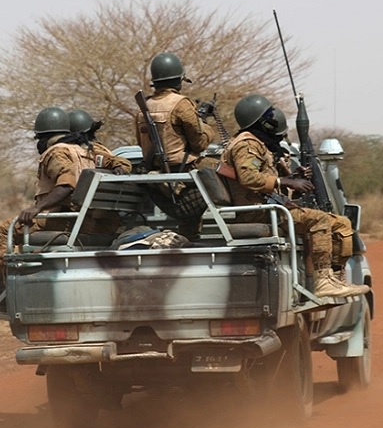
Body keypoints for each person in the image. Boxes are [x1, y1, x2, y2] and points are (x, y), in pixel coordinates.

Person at [0, 106, 130, 310]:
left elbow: (66, 185)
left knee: (2, 230)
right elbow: (121, 163)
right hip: (96, 222)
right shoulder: (91, 151)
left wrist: (37, 208)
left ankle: (0, 291)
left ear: (44, 136)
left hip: (68, 220)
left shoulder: (57, 152)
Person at [219, 94, 369, 298]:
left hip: (270, 208)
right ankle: (322, 281)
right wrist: (287, 182)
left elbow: (264, 177)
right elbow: (248, 178)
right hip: (258, 212)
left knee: (341, 224)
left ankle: (335, 279)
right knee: (319, 219)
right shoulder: (246, 144)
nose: (274, 118)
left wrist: (293, 176)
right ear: (260, 121)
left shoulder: (259, 144)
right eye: (269, 115)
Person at [134, 52, 219, 238]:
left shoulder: (143, 107)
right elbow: (199, 144)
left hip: (157, 172)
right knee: (223, 168)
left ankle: (190, 235)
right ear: (179, 81)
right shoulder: (182, 104)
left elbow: (141, 144)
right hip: (183, 169)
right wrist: (207, 127)